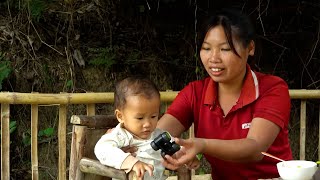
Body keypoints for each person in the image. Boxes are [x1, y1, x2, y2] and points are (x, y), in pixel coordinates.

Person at [157, 9, 293, 180]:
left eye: (225, 49)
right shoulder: (195, 92)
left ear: (250, 48)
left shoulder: (272, 88)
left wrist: (203, 145)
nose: (213, 58)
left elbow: (255, 148)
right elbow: (156, 134)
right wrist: (121, 140)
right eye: (206, 48)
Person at [94, 76, 199, 180]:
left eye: (153, 116)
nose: (148, 123)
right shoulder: (119, 136)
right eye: (140, 118)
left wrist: (186, 157)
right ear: (120, 116)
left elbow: (175, 149)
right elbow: (102, 149)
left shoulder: (158, 135)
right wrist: (131, 162)